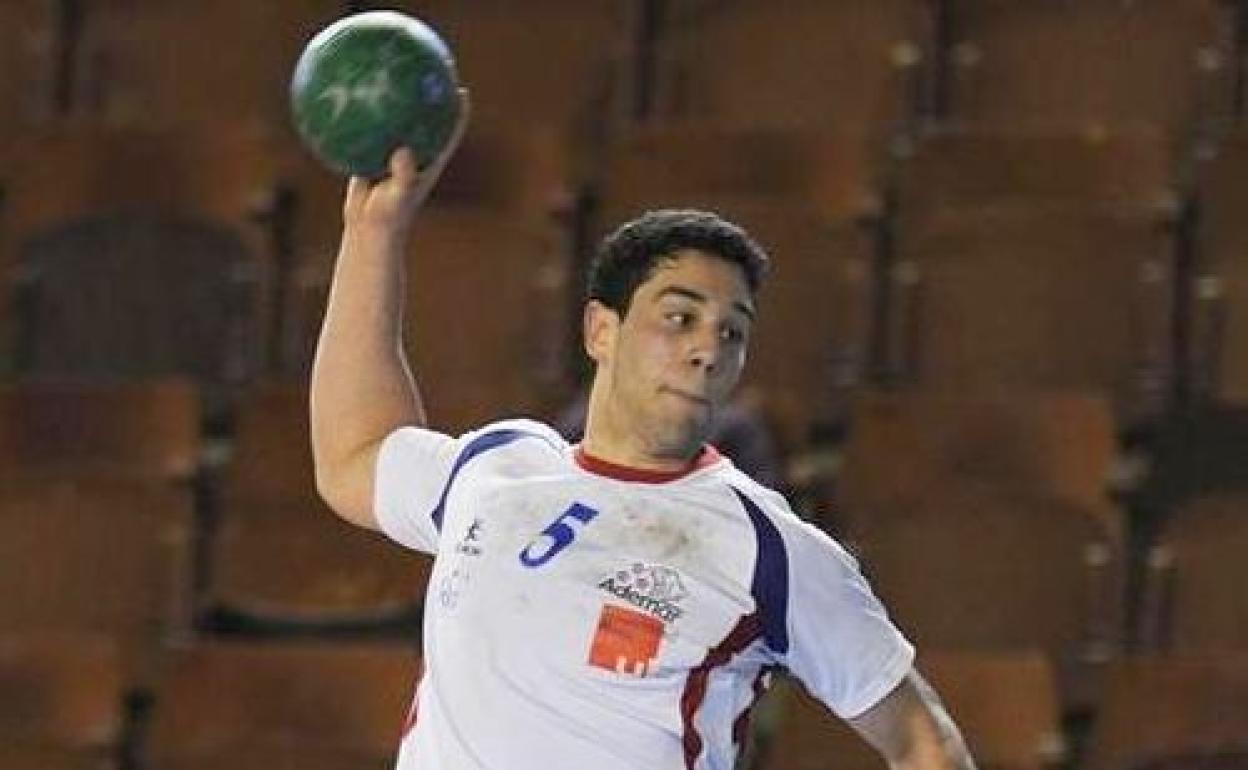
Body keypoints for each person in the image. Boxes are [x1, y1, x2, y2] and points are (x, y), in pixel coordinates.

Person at [309, 91, 975, 770]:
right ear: (602, 329)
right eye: (680, 318)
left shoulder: (768, 547)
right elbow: (352, 456)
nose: (707, 349)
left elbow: (924, 745)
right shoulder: (498, 467)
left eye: (732, 332)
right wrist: (374, 234)